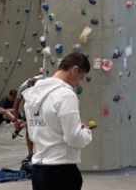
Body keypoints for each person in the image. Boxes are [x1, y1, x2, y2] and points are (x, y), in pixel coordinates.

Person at [22, 53, 93, 190]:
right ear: (75, 70)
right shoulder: (66, 95)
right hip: (61, 171)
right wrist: (86, 133)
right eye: (81, 77)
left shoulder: (32, 94)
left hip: (38, 171)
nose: (79, 82)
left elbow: (32, 134)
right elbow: (74, 138)